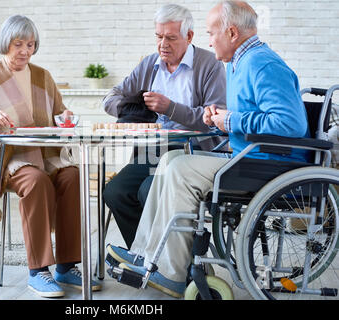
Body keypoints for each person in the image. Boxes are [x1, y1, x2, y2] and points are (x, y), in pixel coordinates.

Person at [107, 0, 310, 298]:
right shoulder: (241, 63)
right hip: (245, 156)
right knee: (170, 162)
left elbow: (290, 123)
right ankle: (145, 257)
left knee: (177, 167)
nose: (209, 40)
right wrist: (216, 120)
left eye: (211, 33)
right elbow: (246, 121)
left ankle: (173, 273)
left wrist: (229, 119)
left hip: (266, 163)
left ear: (231, 32)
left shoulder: (261, 63)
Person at [0, 15, 101, 298]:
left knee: (73, 175)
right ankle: (38, 271)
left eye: (30, 44)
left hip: (46, 155)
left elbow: (60, 112)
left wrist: (65, 116)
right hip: (10, 158)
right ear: (5, 43)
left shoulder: (43, 76)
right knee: (36, 182)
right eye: (18, 44)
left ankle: (67, 265)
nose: (24, 51)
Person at [103, 4, 227, 251]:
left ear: (189, 36)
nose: (163, 45)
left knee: (149, 191)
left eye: (171, 38)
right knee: (116, 192)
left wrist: (170, 108)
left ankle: (169, 261)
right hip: (151, 150)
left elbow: (215, 118)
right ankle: (144, 255)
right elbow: (110, 98)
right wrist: (132, 110)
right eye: (159, 37)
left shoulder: (209, 65)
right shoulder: (150, 64)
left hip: (191, 151)